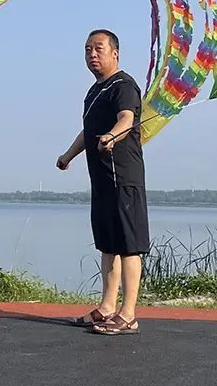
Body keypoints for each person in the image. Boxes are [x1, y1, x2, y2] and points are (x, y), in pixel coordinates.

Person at [57, 29, 150, 335]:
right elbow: (88, 131)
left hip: (124, 178)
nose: (92, 54)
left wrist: (112, 136)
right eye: (87, 50)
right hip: (101, 182)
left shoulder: (124, 86)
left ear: (115, 53)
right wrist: (68, 155)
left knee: (129, 247)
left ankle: (128, 314)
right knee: (108, 246)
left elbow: (126, 119)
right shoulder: (94, 91)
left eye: (98, 48)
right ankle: (107, 307)